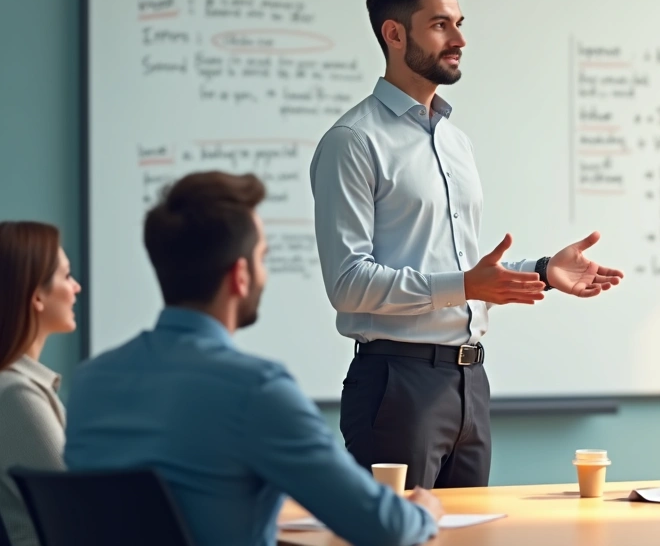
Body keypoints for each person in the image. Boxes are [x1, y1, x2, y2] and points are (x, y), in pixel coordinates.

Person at [309, 0, 624, 489]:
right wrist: (463, 286)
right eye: (440, 25)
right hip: (395, 384)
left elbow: (461, 268)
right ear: (393, 34)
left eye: (459, 22)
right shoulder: (354, 142)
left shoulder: (455, 142)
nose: (459, 38)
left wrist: (545, 270)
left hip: (470, 382)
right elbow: (347, 284)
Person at [65, 172, 443, 546]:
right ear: (240, 276)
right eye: (263, 257)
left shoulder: (89, 383)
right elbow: (384, 526)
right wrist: (424, 509)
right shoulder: (256, 391)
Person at [0, 222, 81, 546]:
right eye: (66, 276)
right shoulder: (15, 395)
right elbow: (76, 509)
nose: (76, 288)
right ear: (36, 296)